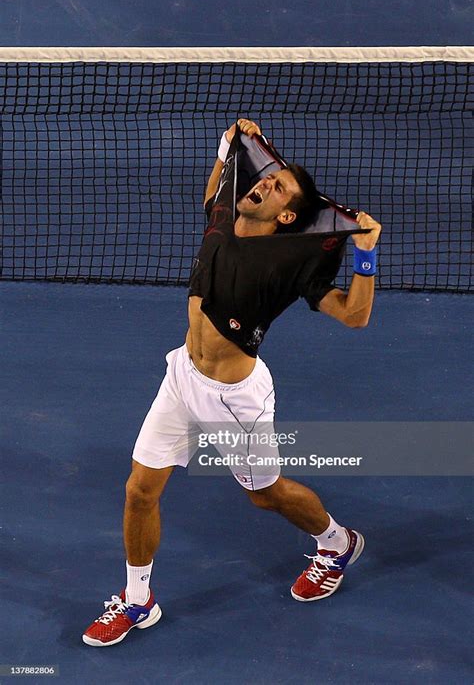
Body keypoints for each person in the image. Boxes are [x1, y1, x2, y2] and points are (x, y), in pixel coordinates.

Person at [83, 119, 382, 647]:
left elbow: (354, 316)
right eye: (269, 176)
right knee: (139, 492)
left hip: (235, 399)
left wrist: (366, 254)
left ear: (287, 215)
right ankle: (138, 601)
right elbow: (216, 193)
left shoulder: (290, 264)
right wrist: (227, 148)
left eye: (279, 187)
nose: (265, 181)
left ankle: (336, 542)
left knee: (266, 496)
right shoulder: (223, 221)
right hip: (181, 376)